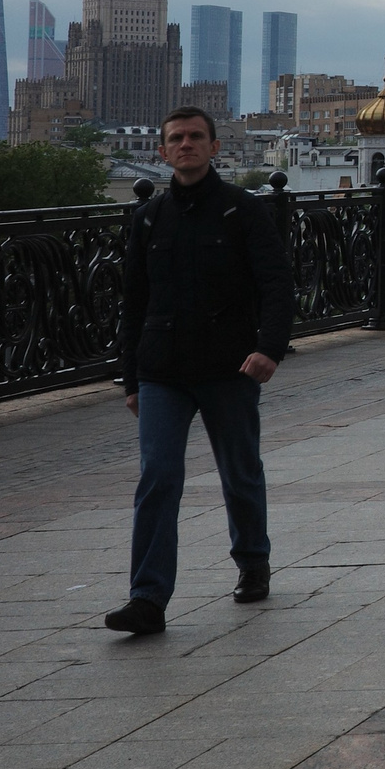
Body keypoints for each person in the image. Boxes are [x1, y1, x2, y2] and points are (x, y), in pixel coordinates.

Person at [104, 107, 291, 636]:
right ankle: (148, 598)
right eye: (176, 139)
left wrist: (269, 349)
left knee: (239, 470)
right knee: (158, 477)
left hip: (230, 365)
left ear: (213, 147)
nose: (185, 146)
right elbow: (133, 303)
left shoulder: (241, 210)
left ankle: (252, 559)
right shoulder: (147, 218)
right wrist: (132, 377)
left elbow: (276, 283)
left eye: (195, 138)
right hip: (163, 369)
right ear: (161, 152)